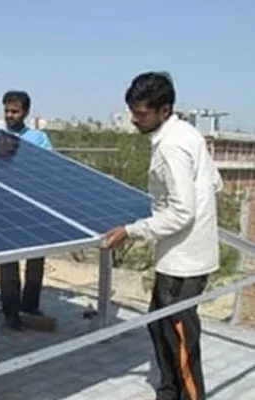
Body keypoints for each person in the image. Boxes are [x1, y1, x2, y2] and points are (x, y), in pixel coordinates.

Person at [103, 72, 222, 400]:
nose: (134, 119)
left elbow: (182, 212)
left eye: (141, 113)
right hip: (181, 255)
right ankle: (168, 392)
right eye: (133, 111)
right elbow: (215, 182)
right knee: (159, 326)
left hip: (184, 262)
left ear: (164, 110)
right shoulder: (188, 133)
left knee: (180, 339)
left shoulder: (172, 146)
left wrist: (131, 231)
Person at [0, 90, 55, 331]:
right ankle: (10, 312)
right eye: (7, 111)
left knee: (36, 259)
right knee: (8, 262)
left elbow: (48, 167)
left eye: (15, 111)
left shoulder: (39, 138)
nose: (10, 115)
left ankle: (30, 305)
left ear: (26, 112)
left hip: (33, 206)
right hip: (5, 207)